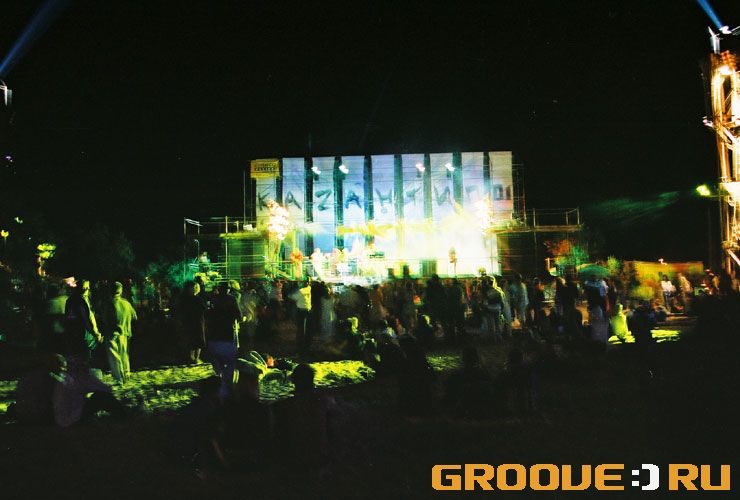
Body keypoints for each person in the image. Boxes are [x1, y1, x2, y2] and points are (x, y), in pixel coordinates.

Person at [273, 364, 337, 478]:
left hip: (296, 461)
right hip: (320, 459)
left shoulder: (287, 405)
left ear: (294, 382)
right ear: (312, 381)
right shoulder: (324, 401)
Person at [206, 282, 242, 398]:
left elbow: (208, 313)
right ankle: (228, 381)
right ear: (228, 289)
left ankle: (220, 377)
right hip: (228, 331)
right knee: (230, 358)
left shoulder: (214, 299)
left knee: (217, 358)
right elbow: (238, 314)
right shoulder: (231, 299)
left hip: (215, 332)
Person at [98, 281, 137, 384]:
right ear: (121, 291)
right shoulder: (126, 303)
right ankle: (126, 374)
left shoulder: (108, 304)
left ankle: (119, 378)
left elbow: (104, 319)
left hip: (112, 333)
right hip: (125, 333)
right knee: (124, 354)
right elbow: (135, 317)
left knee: (114, 356)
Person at [444, 346, 492, 418]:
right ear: (476, 358)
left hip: (465, 406)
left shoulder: (457, 374)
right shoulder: (483, 373)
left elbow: (447, 388)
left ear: (463, 359)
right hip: (480, 407)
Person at [62, 279, 102, 361]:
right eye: (85, 288)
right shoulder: (79, 301)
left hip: (74, 332)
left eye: (88, 287)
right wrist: (94, 333)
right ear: (80, 288)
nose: (87, 290)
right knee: (82, 355)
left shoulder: (72, 299)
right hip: (79, 332)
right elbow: (84, 319)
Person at [177, 281, 207, 364]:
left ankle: (191, 357)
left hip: (187, 321)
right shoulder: (197, 299)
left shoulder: (183, 299)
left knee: (190, 340)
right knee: (198, 340)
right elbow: (203, 309)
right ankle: (196, 358)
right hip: (197, 321)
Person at [289, 280, 312, 352]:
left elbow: (292, 297)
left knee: (301, 327)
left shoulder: (301, 291)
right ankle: (306, 342)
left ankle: (301, 343)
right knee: (307, 327)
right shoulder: (310, 289)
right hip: (308, 310)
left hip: (302, 310)